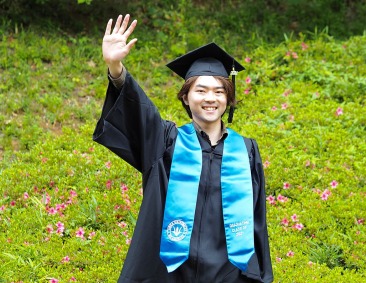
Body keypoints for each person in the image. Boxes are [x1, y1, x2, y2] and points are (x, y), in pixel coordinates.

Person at [93, 14, 273, 283]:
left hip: (228, 273)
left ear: (228, 99)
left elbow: (256, 220)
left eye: (219, 91)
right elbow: (138, 109)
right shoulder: (166, 141)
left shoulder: (245, 151)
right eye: (200, 90)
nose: (210, 98)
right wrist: (116, 68)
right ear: (186, 98)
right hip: (168, 271)